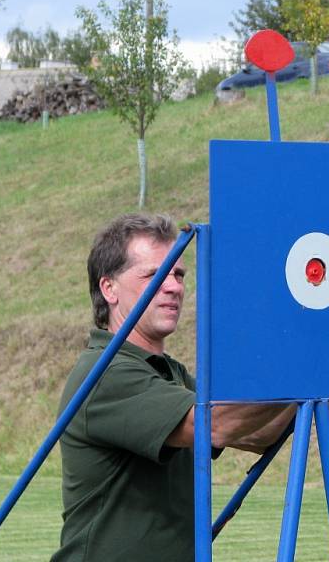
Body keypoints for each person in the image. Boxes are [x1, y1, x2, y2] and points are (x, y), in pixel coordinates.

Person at [53, 213, 295, 562]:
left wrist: (307, 374)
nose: (174, 286)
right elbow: (217, 425)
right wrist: (297, 362)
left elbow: (261, 435)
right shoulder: (105, 372)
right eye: (154, 275)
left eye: (179, 274)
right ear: (109, 289)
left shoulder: (169, 373)